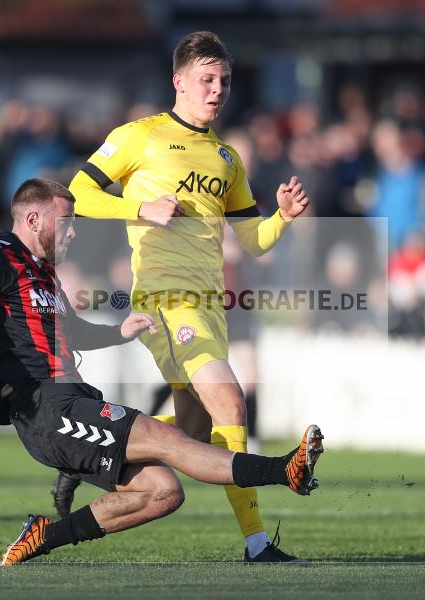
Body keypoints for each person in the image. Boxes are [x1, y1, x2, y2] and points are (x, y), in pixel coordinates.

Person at [0, 178, 323, 566]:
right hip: (43, 406)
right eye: (67, 223)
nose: (73, 233)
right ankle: (282, 470)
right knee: (168, 437)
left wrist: (118, 331)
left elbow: (71, 331)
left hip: (73, 399)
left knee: (163, 492)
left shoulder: (43, 272)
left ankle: (43, 537)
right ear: (33, 219)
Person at [67, 31, 311, 562]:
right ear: (178, 81)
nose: (217, 89)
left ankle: (91, 456)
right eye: (206, 79)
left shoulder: (226, 157)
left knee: (196, 431)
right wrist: (138, 209)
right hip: (163, 299)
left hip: (209, 304)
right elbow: (78, 194)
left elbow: (252, 240)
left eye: (224, 80)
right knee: (231, 401)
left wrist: (283, 219)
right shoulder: (139, 137)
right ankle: (256, 542)